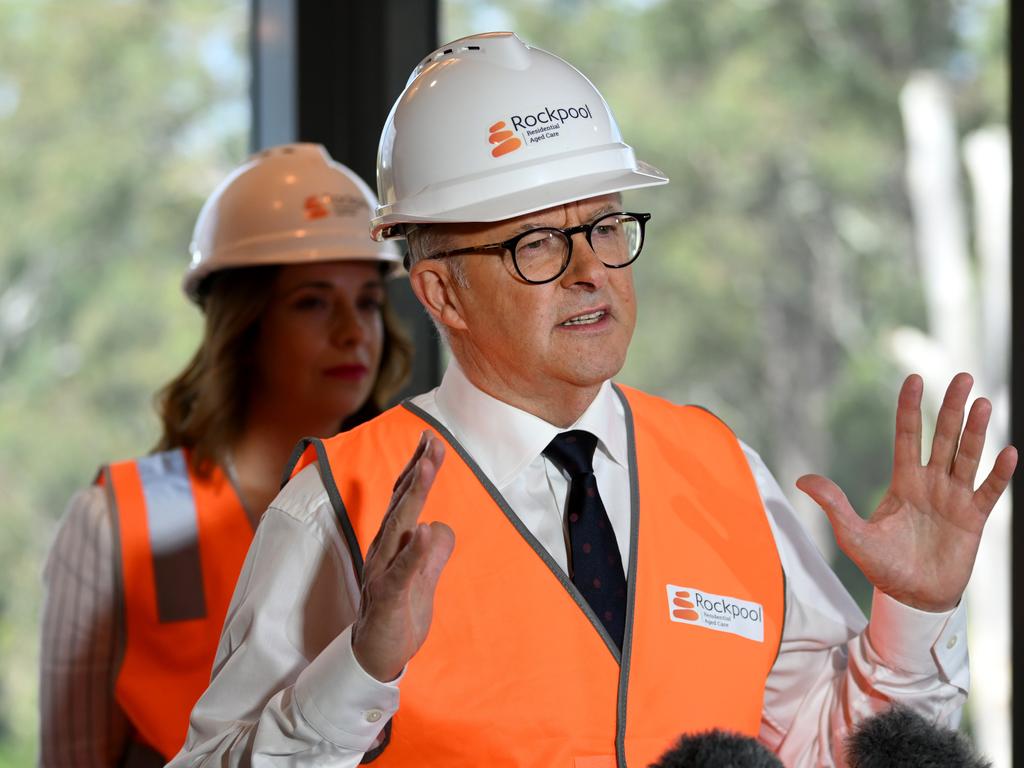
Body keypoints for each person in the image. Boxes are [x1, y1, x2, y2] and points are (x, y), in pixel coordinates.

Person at [170, 33, 1017, 767]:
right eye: (537, 242)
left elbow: (831, 754)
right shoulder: (337, 507)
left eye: (607, 227)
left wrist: (917, 611)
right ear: (441, 294)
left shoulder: (724, 474)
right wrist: (358, 669)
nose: (591, 272)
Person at [39, 143, 411, 767]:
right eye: (313, 301)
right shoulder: (119, 523)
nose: (353, 330)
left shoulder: (404, 504)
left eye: (368, 302)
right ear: (242, 323)